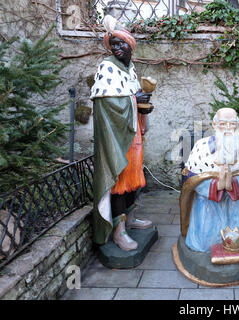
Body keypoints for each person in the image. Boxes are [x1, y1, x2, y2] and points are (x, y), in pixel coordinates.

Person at [90, 15, 153, 251]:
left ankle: (131, 217)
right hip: (116, 139)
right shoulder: (107, 67)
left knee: (134, 181)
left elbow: (130, 97)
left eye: (121, 44)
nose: (117, 48)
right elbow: (106, 104)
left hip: (133, 134)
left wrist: (143, 106)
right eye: (113, 44)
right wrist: (134, 101)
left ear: (130, 46)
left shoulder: (131, 69)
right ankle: (118, 230)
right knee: (118, 182)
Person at [179, 108, 239, 252]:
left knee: (238, 218)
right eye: (223, 124)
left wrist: (232, 184)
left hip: (236, 200)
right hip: (207, 202)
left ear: (238, 125)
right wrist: (216, 186)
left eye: (233, 124)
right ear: (214, 124)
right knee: (206, 230)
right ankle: (207, 241)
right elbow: (192, 179)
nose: (228, 128)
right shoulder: (201, 146)